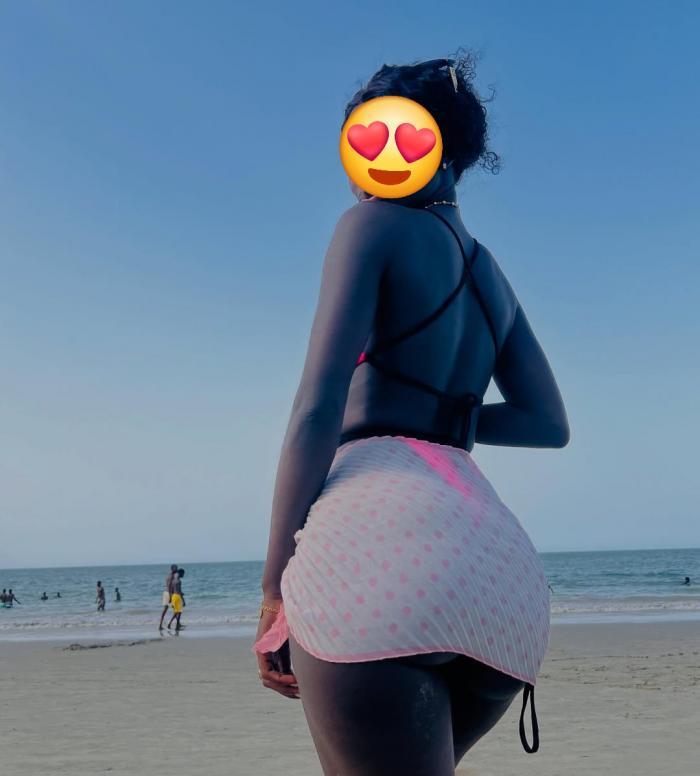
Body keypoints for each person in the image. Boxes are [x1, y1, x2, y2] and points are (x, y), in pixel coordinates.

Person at [252, 53, 569, 773]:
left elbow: (316, 410)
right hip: (500, 582)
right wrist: (450, 418)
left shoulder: (370, 227)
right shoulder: (491, 275)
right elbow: (546, 423)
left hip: (382, 555)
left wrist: (273, 592)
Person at [158, 564, 179, 631]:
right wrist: (170, 596)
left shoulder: (169, 575)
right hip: (169, 593)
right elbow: (169, 586)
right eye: (176, 568)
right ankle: (165, 625)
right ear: (173, 569)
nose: (177, 569)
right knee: (175, 610)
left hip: (166, 593)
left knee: (169, 610)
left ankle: (161, 625)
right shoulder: (171, 576)